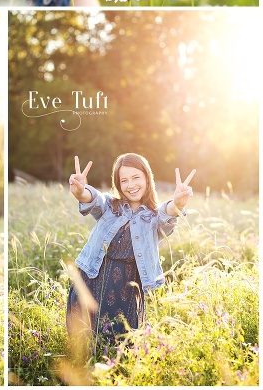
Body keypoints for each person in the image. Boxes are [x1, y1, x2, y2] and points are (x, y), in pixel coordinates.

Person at [66, 153, 195, 358]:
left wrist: (178, 203)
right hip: (92, 277)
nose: (130, 185)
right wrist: (80, 192)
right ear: (118, 184)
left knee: (120, 347)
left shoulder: (153, 216)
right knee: (83, 343)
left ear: (147, 178)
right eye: (123, 180)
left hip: (125, 287)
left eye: (136, 177)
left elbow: (166, 214)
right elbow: (93, 199)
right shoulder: (110, 206)